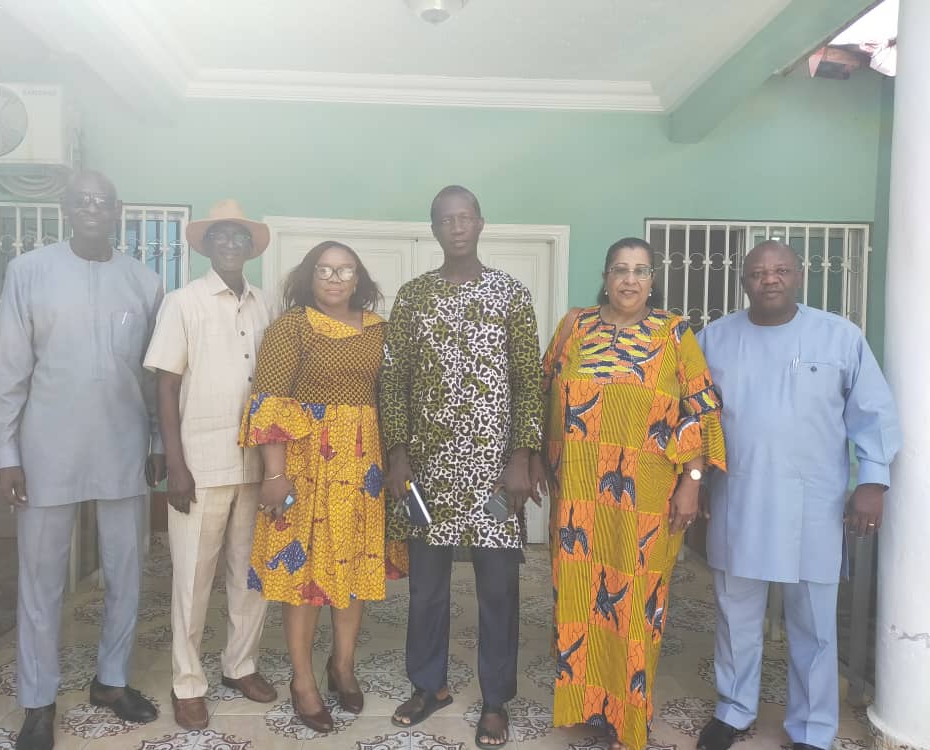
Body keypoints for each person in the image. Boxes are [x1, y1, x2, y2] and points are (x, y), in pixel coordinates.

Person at [695, 240, 900, 750]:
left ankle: (812, 727)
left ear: (799, 275)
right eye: (758, 272)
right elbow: (691, 417)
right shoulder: (713, 339)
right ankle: (733, 709)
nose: (770, 279)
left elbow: (872, 412)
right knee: (736, 616)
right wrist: (692, 481)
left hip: (815, 503)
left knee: (813, 623)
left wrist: (872, 480)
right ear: (743, 281)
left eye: (781, 270)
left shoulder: (840, 336)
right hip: (738, 499)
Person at [0, 170, 163, 750]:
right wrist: (7, 453)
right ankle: (38, 702)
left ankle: (111, 681)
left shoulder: (144, 281)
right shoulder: (29, 271)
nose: (92, 208)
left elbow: (152, 375)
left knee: (126, 571)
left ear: (117, 210)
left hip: (123, 445)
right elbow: (9, 368)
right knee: (40, 581)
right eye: (81, 200)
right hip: (46, 451)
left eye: (102, 201)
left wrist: (159, 442)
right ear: (66, 209)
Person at [537, 237, 726, 750]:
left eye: (641, 271)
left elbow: (699, 409)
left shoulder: (674, 333)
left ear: (652, 280)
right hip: (579, 492)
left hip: (646, 495)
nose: (630, 279)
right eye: (620, 269)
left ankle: (628, 716)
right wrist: (536, 458)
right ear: (605, 277)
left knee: (637, 603)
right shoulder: (574, 326)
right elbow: (543, 390)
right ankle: (585, 705)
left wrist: (691, 482)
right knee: (579, 596)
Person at [380, 185, 543, 749]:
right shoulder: (413, 297)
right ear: (434, 229)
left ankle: (495, 700)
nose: (456, 226)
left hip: (495, 475)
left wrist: (521, 458)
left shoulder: (510, 294)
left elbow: (528, 381)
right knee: (427, 589)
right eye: (445, 219)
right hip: (429, 475)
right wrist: (398, 453)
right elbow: (393, 380)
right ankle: (429, 686)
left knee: (498, 589)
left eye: (465, 217)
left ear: (480, 223)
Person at [239, 240, 406, 733]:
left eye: (345, 270)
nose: (335, 279)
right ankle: (303, 681)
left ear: (359, 279)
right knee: (304, 574)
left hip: (363, 468)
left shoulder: (378, 330)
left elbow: (392, 395)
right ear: (309, 277)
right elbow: (270, 400)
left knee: (352, 567)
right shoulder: (292, 326)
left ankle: (343, 666)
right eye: (325, 270)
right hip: (306, 465)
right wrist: (274, 474)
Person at [143, 199, 279, 729]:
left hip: (256, 465)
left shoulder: (266, 304)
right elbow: (165, 385)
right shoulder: (183, 303)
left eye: (238, 236)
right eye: (219, 235)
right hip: (199, 467)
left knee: (250, 576)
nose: (229, 243)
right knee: (192, 581)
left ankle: (240, 665)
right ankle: (188, 682)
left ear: (250, 247)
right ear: (205, 245)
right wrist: (175, 464)